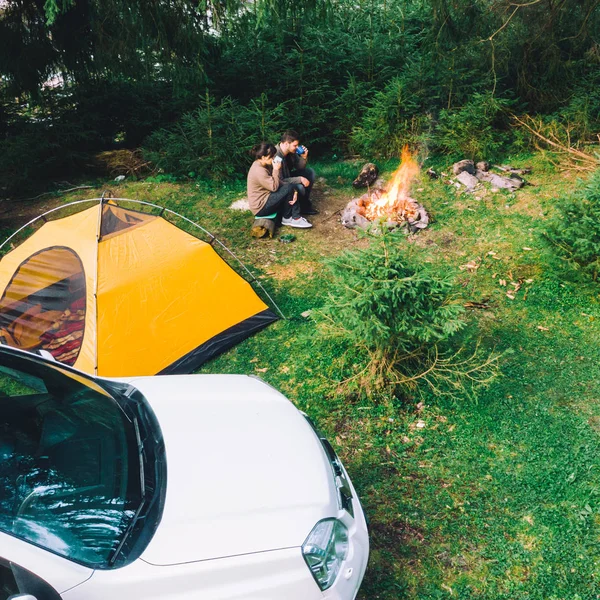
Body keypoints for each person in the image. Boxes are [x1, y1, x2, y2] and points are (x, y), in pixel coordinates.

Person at [246, 142, 313, 229]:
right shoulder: (259, 170)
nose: (274, 158)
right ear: (263, 157)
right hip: (260, 207)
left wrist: (294, 191)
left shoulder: (264, 164)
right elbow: (274, 187)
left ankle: (289, 216)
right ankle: (292, 218)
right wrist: (276, 170)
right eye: (272, 156)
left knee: (291, 187)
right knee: (289, 188)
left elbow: (279, 182)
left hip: (267, 197)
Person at [275, 130, 318, 215]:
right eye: (295, 145)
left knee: (310, 172)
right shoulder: (276, 155)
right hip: (278, 183)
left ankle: (304, 204)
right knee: (299, 187)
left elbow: (300, 167)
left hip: (288, 176)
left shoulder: (291, 152)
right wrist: (300, 179)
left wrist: (304, 157)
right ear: (286, 143)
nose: (297, 147)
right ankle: (294, 207)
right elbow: (280, 180)